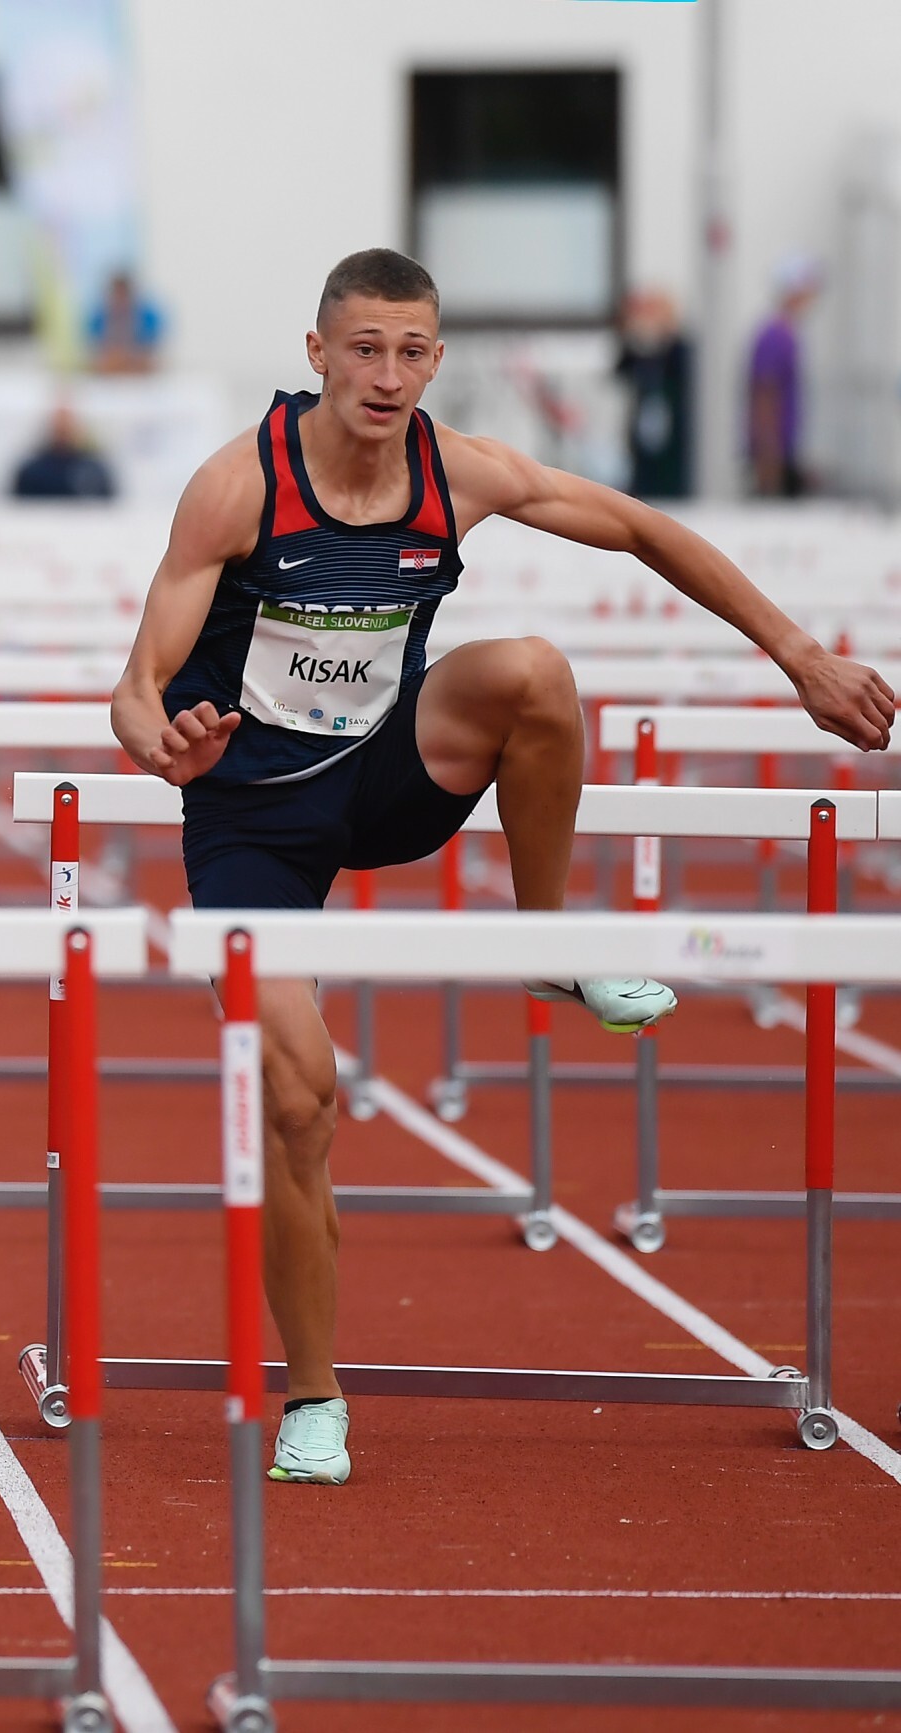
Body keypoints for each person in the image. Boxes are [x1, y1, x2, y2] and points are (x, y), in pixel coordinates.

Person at [111, 247, 893, 1486]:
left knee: (531, 673)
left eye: (409, 351)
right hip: (250, 818)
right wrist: (160, 737)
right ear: (316, 354)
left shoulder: (455, 472)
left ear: (434, 359)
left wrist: (797, 654)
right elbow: (134, 685)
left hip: (384, 776)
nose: (385, 375)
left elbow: (638, 528)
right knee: (298, 1100)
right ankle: (312, 1394)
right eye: (362, 349)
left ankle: (545, 942)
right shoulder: (236, 486)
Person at [748, 254, 819, 498]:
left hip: (784, 450)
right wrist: (769, 458)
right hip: (774, 457)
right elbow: (764, 395)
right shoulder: (776, 336)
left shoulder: (788, 334)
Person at [614, 287, 692, 501]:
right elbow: (620, 370)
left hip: (673, 437)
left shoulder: (679, 349)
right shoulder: (637, 351)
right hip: (643, 436)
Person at [10, 402, 117, 500]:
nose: (63, 429)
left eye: (68, 423)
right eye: (59, 424)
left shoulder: (94, 470)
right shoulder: (32, 472)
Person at [87, 270, 163, 376]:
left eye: (124, 295)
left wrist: (132, 358)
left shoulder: (148, 317)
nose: (121, 300)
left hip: (138, 364)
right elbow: (97, 350)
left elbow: (149, 350)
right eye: (117, 295)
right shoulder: (99, 318)